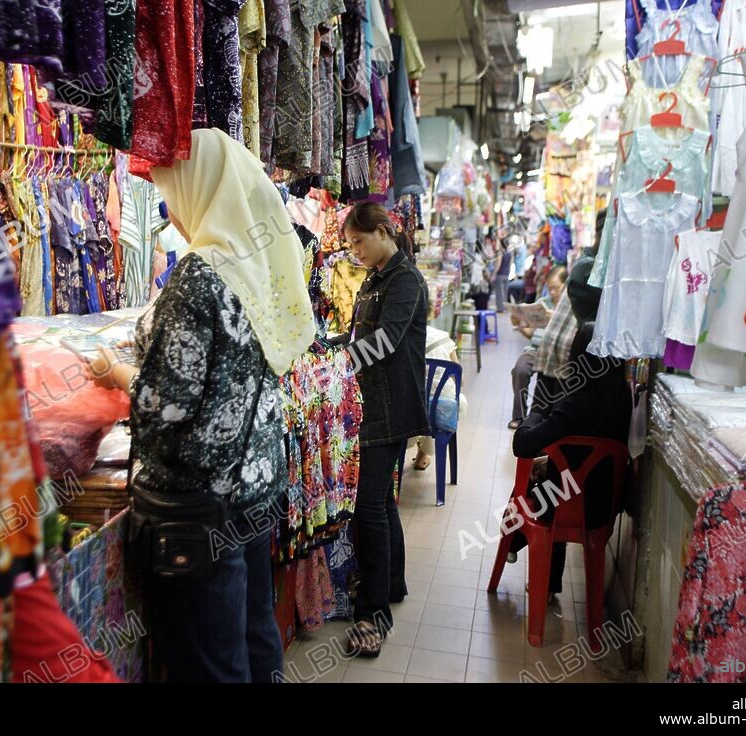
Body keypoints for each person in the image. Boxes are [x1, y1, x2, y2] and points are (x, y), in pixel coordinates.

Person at [90, 128, 314, 682]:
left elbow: (166, 404)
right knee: (253, 634)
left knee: (210, 662)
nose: (171, 209)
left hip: (200, 502)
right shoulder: (257, 262)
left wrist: (113, 372)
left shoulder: (198, 274)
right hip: (256, 485)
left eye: (172, 192)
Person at [333, 201, 430, 657]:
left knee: (368, 505)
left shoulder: (406, 279)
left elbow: (387, 340)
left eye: (359, 241)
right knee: (381, 502)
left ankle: (373, 615)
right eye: (350, 243)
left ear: (384, 231)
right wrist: (328, 345)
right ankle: (392, 584)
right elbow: (359, 333)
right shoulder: (376, 276)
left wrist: (340, 362)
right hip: (373, 400)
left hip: (390, 405)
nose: (355, 251)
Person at [509, 321, 631, 602]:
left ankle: (514, 542)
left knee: (535, 485)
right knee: (554, 481)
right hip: (604, 509)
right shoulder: (625, 401)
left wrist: (537, 410)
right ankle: (521, 551)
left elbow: (523, 445)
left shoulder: (577, 403)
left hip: (566, 503)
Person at [509, 267, 567, 429]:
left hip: (557, 352)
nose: (553, 292)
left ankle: (544, 418)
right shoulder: (543, 304)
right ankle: (519, 415)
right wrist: (520, 324)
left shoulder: (568, 306)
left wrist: (554, 317)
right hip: (536, 348)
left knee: (549, 377)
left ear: (565, 285)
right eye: (550, 287)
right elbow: (530, 334)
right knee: (519, 370)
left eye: (556, 287)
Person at [411, 325, 467, 471]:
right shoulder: (443, 337)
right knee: (436, 403)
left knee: (422, 401)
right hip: (442, 411)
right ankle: (423, 455)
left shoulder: (405, 336)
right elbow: (460, 380)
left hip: (412, 408)